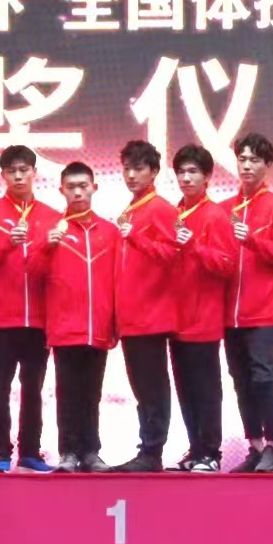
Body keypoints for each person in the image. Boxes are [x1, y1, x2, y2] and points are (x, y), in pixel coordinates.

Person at [0, 145, 60, 472]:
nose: (19, 176)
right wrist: (6, 243)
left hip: (39, 319)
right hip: (1, 318)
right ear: (3, 175)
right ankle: (1, 454)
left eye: (24, 170)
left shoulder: (53, 216)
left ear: (35, 172)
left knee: (33, 389)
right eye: (12, 171)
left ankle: (31, 452)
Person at [222, 131, 273, 473]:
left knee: (263, 378)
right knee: (240, 380)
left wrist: (252, 240)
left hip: (262, 311)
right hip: (228, 314)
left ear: (267, 164)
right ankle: (253, 446)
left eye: (254, 160)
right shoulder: (224, 208)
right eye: (242, 159)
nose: (247, 166)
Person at [37, 162, 119, 472]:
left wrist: (116, 322)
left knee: (92, 394)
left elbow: (118, 280)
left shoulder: (109, 232)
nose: (78, 192)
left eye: (83, 186)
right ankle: (69, 452)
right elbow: (32, 273)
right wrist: (45, 246)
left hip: (98, 326)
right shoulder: (51, 229)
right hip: (64, 328)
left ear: (94, 187)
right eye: (71, 187)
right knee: (68, 393)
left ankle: (91, 453)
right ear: (62, 190)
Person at [111, 139, 181, 472]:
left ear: (154, 172)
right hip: (130, 317)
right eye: (127, 169)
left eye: (138, 169)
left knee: (152, 386)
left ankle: (152, 451)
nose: (131, 175)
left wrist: (137, 238)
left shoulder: (161, 209)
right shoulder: (132, 209)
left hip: (152, 316)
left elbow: (172, 255)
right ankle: (147, 448)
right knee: (141, 386)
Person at [168, 144, 236, 472]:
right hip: (175, 318)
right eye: (181, 172)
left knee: (206, 389)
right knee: (185, 388)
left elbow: (226, 265)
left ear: (207, 176)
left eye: (193, 171)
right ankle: (195, 449)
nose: (186, 178)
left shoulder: (214, 215)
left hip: (204, 319)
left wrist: (194, 245)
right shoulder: (173, 214)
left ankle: (211, 452)